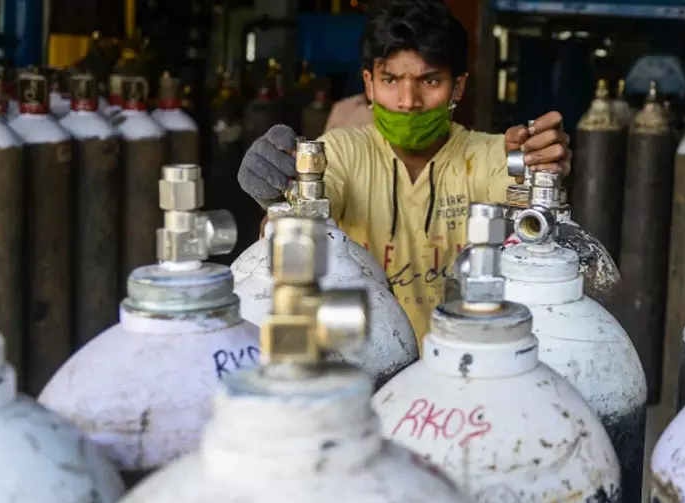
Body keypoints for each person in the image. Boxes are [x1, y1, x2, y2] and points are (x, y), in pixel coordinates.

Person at [237, 0, 572, 346]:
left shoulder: (491, 156)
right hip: (363, 356)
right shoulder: (341, 152)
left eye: (429, 80)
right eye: (391, 79)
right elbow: (305, 213)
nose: (408, 100)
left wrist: (539, 168)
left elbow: (533, 225)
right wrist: (281, 195)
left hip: (464, 364)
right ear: (368, 85)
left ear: (457, 87)